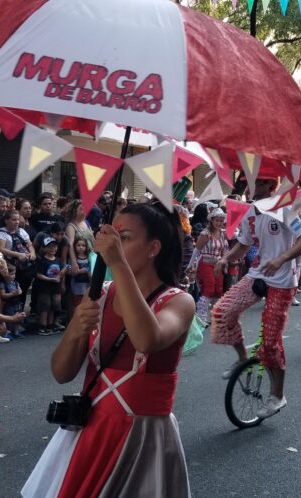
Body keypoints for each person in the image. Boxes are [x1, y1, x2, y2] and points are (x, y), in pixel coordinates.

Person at [41, 201, 194, 498]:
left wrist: (118, 264)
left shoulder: (178, 301)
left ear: (153, 249)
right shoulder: (99, 295)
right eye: (111, 235)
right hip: (91, 433)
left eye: (125, 238)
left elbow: (146, 340)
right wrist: (75, 329)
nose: (114, 244)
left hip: (143, 439)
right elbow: (61, 372)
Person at [211, 178, 301, 419]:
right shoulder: (251, 212)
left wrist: (281, 259)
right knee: (222, 311)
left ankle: (277, 396)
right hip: (258, 275)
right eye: (246, 182)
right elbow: (243, 245)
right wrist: (226, 258)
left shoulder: (284, 209)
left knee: (270, 342)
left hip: (282, 282)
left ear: (268, 185)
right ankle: (243, 359)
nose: (247, 188)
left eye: (253, 183)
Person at [186, 208, 227, 324]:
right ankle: (201, 318)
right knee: (208, 289)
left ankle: (216, 317)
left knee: (218, 290)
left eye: (221, 221)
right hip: (205, 263)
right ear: (212, 220)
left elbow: (225, 250)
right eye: (217, 220)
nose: (219, 223)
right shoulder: (205, 234)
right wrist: (190, 266)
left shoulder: (223, 233)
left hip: (218, 265)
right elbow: (197, 250)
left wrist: (224, 263)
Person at [33, 237, 66, 336]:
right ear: (45, 248)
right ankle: (43, 325)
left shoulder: (58, 260)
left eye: (55, 247)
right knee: (45, 306)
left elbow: (60, 272)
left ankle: (50, 324)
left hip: (55, 287)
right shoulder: (42, 261)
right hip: (44, 287)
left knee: (54, 306)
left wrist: (61, 276)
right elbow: (39, 274)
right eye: (50, 247)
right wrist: (50, 279)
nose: (53, 249)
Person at [69, 238, 91, 308]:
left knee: (86, 304)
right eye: (78, 245)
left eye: (83, 245)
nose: (81, 247)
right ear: (75, 246)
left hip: (86, 286)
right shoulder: (73, 259)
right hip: (76, 286)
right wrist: (78, 272)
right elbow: (69, 272)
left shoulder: (89, 258)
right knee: (77, 304)